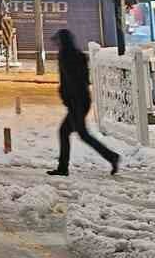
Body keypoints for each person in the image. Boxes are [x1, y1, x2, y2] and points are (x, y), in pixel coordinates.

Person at [48, 28, 120, 176]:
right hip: (80, 100)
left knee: (79, 134)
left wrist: (69, 99)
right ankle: (64, 167)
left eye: (58, 41)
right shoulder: (75, 55)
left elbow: (72, 82)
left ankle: (111, 157)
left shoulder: (67, 57)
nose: (56, 44)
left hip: (77, 102)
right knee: (67, 132)